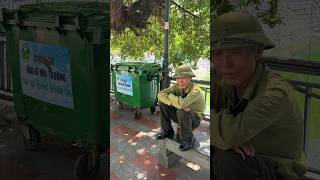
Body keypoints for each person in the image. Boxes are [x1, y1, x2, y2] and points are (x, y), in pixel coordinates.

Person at [211, 11, 307, 180]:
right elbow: (198, 116)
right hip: (245, 162)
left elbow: (230, 134)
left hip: (276, 171)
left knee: (229, 158)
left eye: (236, 52)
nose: (225, 64)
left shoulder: (276, 92)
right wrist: (224, 137)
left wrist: (225, 136)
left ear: (258, 52)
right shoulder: (221, 79)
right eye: (218, 54)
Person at [155, 64, 205, 151]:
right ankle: (167, 130)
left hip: (193, 120)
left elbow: (182, 104)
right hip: (181, 117)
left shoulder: (195, 91)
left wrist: (170, 96)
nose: (180, 81)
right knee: (162, 102)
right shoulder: (177, 87)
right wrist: (171, 102)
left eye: (184, 78)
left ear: (190, 78)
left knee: (182, 110)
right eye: (178, 78)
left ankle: (188, 138)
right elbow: (160, 94)